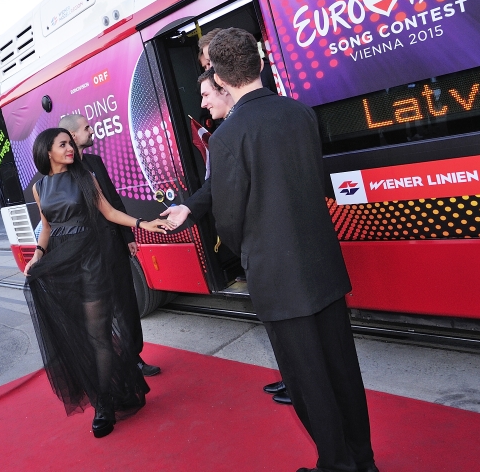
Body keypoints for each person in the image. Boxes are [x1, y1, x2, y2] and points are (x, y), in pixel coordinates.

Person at [170, 29, 377, 472]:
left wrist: (248, 250)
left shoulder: (227, 137)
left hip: (278, 278)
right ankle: (363, 460)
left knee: (307, 381)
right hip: (323, 265)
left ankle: (336, 465)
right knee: (343, 372)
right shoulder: (300, 113)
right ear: (259, 65)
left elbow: (229, 219)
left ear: (222, 82)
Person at [22, 128, 174, 438]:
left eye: (70, 143)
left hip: (91, 261)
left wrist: (143, 223)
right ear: (47, 152)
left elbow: (109, 211)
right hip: (62, 265)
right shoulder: (41, 187)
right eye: (62, 144)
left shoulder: (84, 176)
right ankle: (109, 386)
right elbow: (48, 227)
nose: (70, 148)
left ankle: (104, 405)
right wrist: (38, 255)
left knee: (99, 335)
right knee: (78, 335)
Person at [163, 66, 292, 406]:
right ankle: (294, 378)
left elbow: (229, 201)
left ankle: (299, 383)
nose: (202, 103)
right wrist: (189, 208)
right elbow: (213, 184)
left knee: (289, 325)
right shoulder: (272, 115)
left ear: (224, 88)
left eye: (205, 94)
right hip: (280, 246)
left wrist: (237, 247)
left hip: (268, 247)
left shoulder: (230, 133)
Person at [59, 113, 161, 377]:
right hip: (88, 256)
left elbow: (113, 201)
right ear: (72, 136)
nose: (92, 131)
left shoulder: (95, 162)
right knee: (99, 315)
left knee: (126, 305)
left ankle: (134, 358)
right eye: (86, 128)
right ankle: (109, 365)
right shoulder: (61, 173)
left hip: (114, 246)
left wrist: (128, 237)